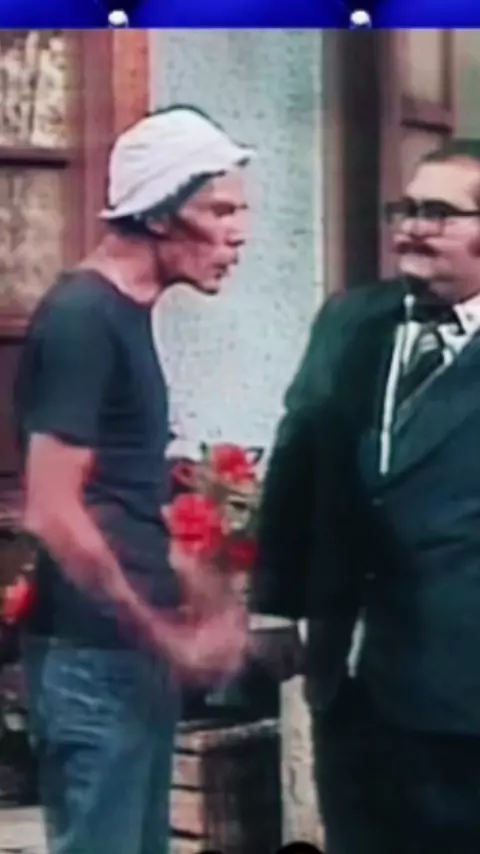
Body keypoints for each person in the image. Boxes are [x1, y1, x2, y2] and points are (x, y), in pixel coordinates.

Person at [14, 104, 253, 854]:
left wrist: (201, 589)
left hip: (127, 658)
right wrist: (161, 633)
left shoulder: (125, 313)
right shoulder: (83, 317)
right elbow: (54, 511)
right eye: (220, 210)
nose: (239, 233)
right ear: (156, 214)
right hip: (94, 659)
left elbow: (117, 495)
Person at [253, 138, 480, 854]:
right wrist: (273, 604)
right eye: (405, 210)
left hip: (463, 688)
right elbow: (297, 458)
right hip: (349, 678)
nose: (411, 228)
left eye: (438, 213)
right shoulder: (351, 319)